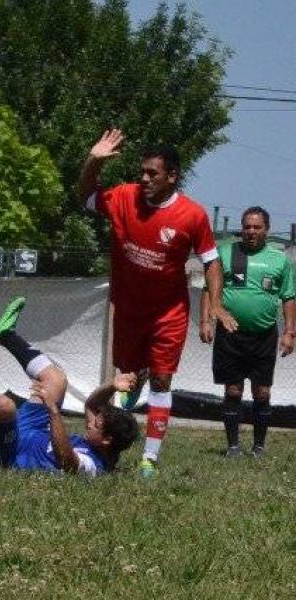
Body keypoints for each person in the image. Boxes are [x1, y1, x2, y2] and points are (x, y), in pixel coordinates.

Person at [78, 129, 235, 477]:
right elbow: (85, 196)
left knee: (163, 380)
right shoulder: (123, 197)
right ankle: (136, 385)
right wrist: (93, 161)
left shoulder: (191, 215)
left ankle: (150, 459)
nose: (144, 178)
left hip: (168, 313)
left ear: (172, 176)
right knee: (128, 380)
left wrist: (217, 304)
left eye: (153, 173)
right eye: (142, 172)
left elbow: (211, 260)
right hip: (129, 310)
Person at [0, 297, 140, 475]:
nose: (90, 422)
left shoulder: (94, 466)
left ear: (107, 440)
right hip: (33, 430)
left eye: (96, 424)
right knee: (57, 380)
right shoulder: (102, 442)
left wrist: (53, 411)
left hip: (7, 455)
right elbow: (92, 404)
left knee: (4, 406)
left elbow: (67, 462)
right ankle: (4, 334)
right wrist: (111, 386)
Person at [199, 206, 295, 457]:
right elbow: (208, 289)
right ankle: (232, 447)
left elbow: (288, 296)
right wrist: (205, 321)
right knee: (233, 390)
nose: (251, 232)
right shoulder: (225, 252)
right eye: (247, 227)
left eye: (257, 227)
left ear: (267, 230)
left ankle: (259, 446)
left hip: (264, 335)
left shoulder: (280, 260)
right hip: (230, 335)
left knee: (262, 391)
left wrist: (289, 333)